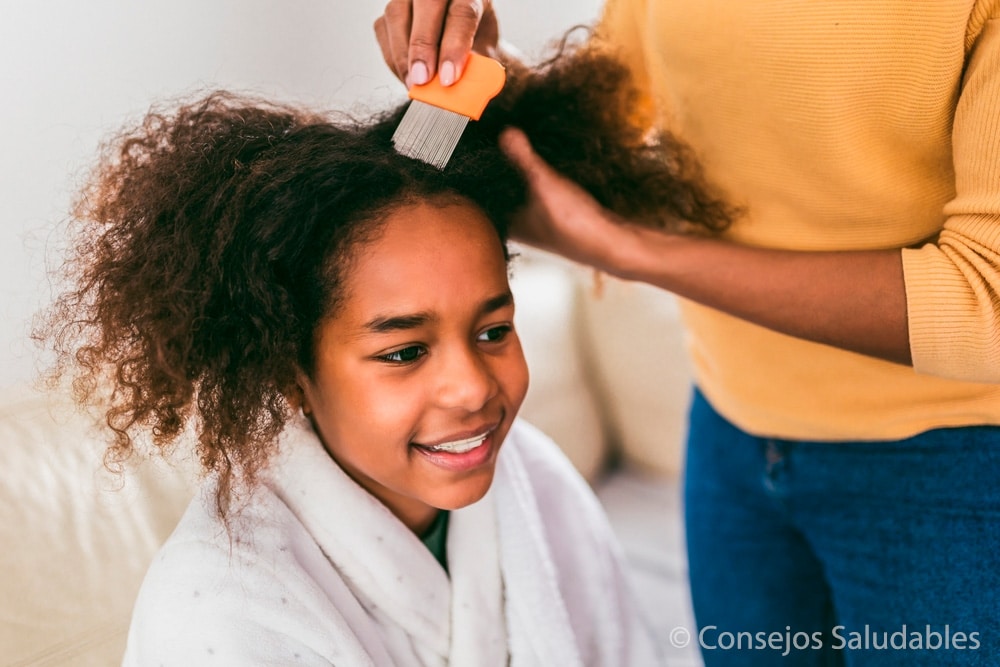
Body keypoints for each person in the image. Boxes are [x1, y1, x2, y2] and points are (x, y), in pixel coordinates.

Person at [38, 41, 732, 666]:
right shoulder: (219, 613)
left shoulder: (538, 482)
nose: (471, 388)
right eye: (404, 352)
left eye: (493, 331)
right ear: (290, 370)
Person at [374, 2, 1000, 665]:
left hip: (952, 465)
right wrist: (491, 79)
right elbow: (609, 132)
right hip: (730, 435)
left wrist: (634, 251)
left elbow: (985, 301)